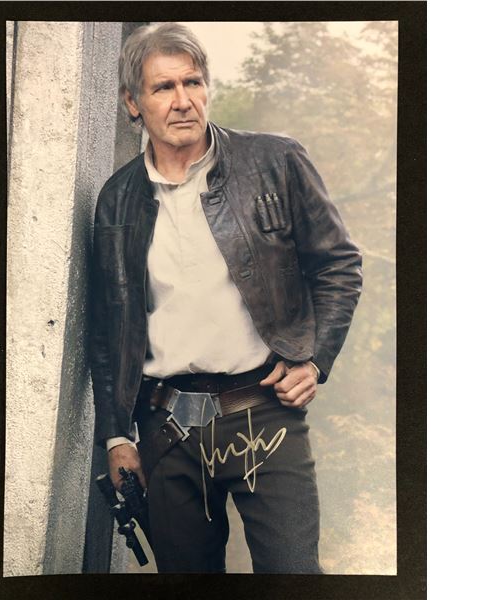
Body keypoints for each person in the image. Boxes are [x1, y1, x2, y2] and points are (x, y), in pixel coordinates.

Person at [89, 22, 362, 573]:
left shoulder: (275, 161)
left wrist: (314, 359)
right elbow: (107, 328)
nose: (182, 100)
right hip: (165, 428)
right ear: (133, 103)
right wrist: (117, 435)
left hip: (264, 412)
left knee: (293, 575)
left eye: (192, 82)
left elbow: (338, 263)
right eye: (163, 87)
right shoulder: (117, 199)